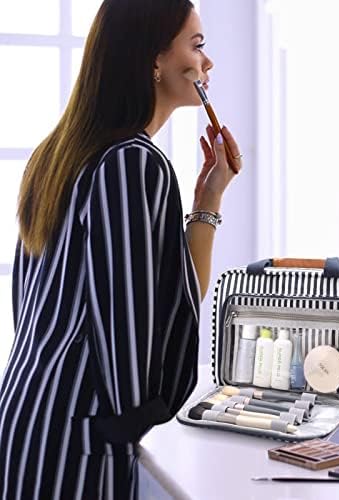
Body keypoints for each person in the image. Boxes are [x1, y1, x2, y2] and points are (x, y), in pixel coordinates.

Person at [0, 0, 242, 498]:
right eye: (196, 46)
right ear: (155, 60)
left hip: (24, 414)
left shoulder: (54, 155)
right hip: (78, 439)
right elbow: (133, 337)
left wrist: (208, 200)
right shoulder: (134, 163)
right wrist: (135, 418)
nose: (208, 62)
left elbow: (34, 307)